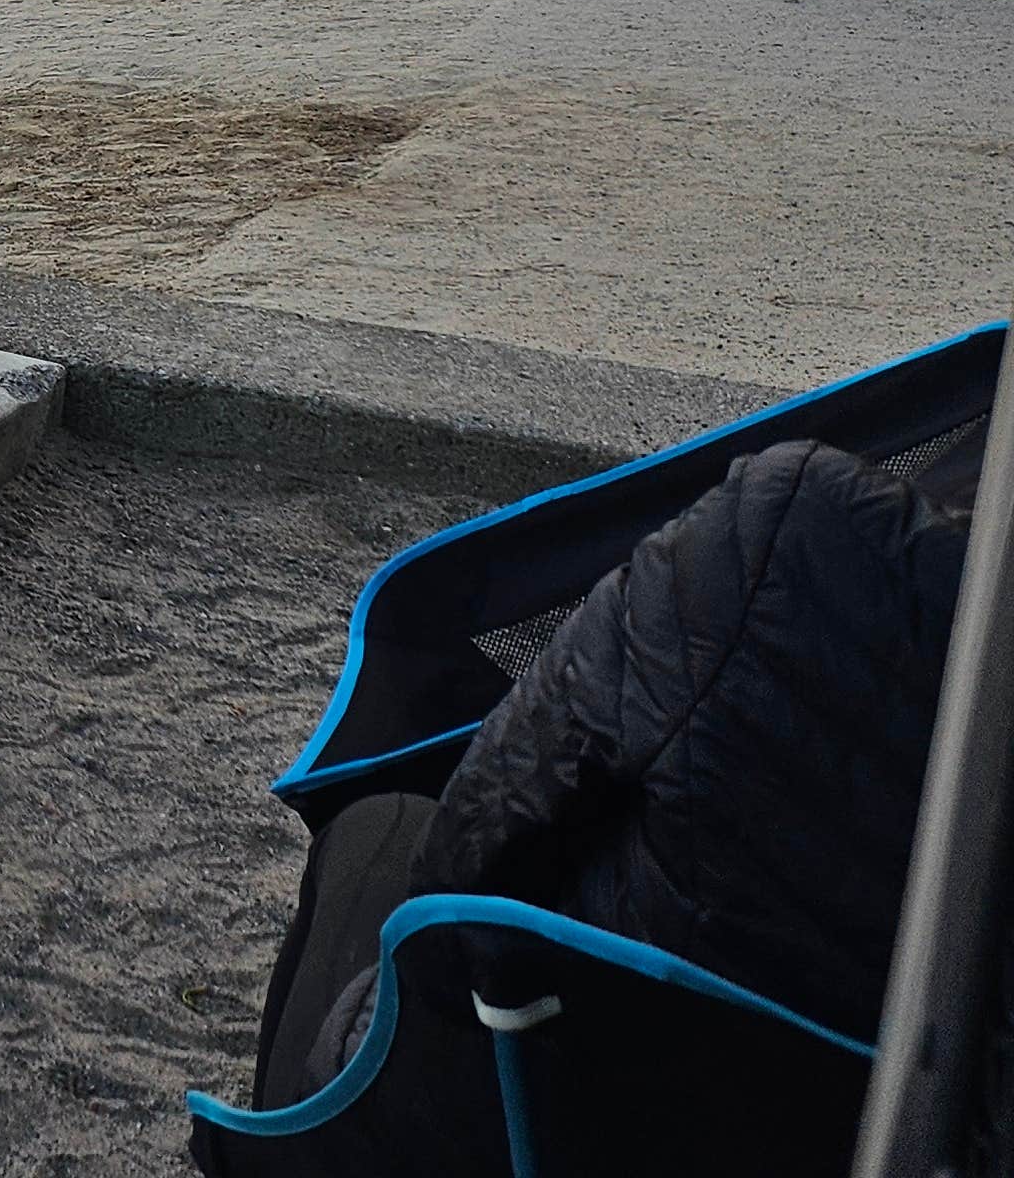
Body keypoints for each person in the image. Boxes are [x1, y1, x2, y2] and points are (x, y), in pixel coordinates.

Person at [256, 431, 974, 1136]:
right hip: (875, 1131)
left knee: (373, 838)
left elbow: (476, 838)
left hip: (575, 1100)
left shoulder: (794, 527)